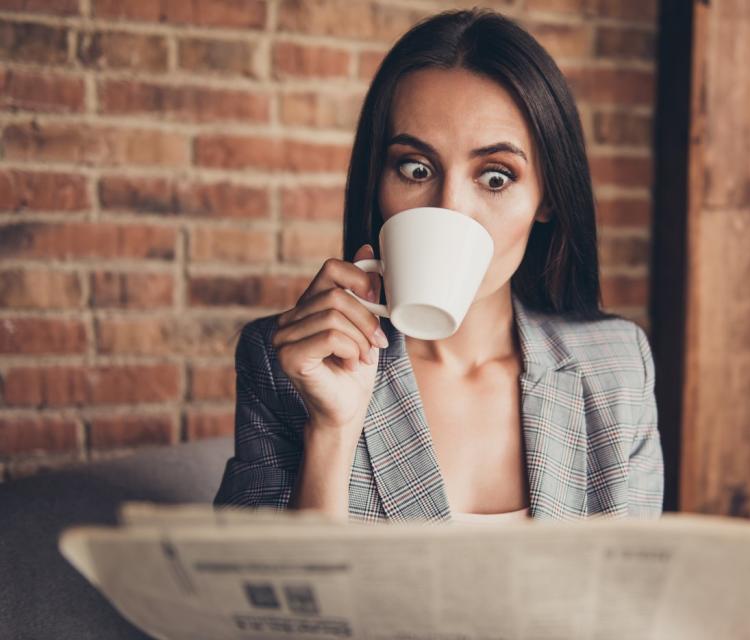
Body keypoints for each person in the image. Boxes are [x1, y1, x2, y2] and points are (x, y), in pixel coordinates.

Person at [213, 8, 663, 523]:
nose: (448, 209)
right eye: (415, 168)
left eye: (496, 177)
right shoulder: (287, 366)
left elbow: (632, 598)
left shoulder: (617, 368)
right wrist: (332, 431)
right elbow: (265, 602)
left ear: (547, 198)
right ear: (377, 184)